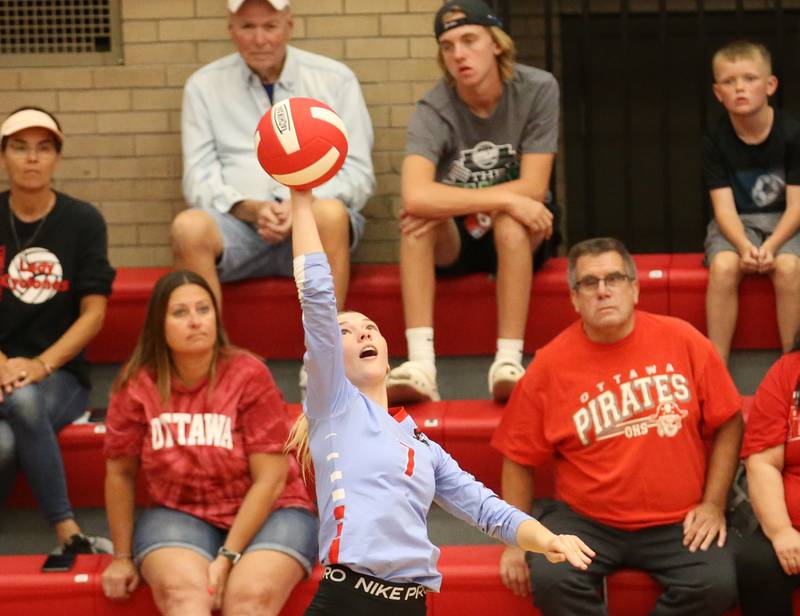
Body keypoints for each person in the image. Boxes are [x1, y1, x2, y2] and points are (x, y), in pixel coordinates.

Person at [286, 187, 593, 616]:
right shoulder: (332, 407)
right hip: (349, 602)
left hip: (413, 605)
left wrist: (547, 539)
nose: (363, 333)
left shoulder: (421, 445)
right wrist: (302, 201)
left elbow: (485, 508)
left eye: (370, 327)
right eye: (346, 331)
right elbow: (317, 297)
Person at [492, 237, 743, 615]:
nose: (603, 291)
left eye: (614, 278)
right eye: (589, 283)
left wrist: (713, 504)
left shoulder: (684, 340)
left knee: (716, 584)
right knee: (553, 578)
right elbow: (517, 456)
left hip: (678, 520)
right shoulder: (549, 365)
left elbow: (730, 421)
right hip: (587, 521)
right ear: (575, 299)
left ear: (635, 288)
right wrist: (516, 539)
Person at [101, 270, 317, 615]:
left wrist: (228, 556)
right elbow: (120, 473)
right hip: (179, 511)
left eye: (203, 309)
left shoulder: (248, 375)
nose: (195, 321)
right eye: (180, 313)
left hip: (272, 512)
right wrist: (122, 557)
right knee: (184, 595)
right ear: (159, 324)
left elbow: (271, 479)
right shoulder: (138, 385)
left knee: (249, 598)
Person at [386, 0, 559, 404]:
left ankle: (509, 361)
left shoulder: (537, 89)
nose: (459, 55)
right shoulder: (435, 106)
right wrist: (503, 197)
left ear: (496, 44)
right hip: (459, 237)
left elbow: (534, 186)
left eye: (469, 40)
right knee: (418, 222)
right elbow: (415, 194)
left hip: (520, 233)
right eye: (447, 47)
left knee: (511, 221)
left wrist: (500, 203)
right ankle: (422, 365)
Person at [172, 0, 375, 312]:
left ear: (289, 26)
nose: (259, 39)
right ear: (231, 29)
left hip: (317, 224)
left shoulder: (335, 79)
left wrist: (302, 205)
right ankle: (212, 358)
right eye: (247, 27)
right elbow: (198, 178)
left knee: (331, 214)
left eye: (269, 26)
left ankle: (324, 355)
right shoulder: (203, 86)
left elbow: (359, 175)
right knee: (188, 227)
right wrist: (248, 208)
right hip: (240, 229)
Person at [0, 106, 115, 554]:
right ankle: (68, 536)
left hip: (60, 378)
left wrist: (42, 365)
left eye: (43, 148)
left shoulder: (83, 221)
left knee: (25, 401)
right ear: (5, 156)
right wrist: (4, 363)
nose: (32, 158)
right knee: (4, 446)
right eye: (20, 147)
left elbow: (94, 314)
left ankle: (66, 532)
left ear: (57, 158)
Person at [703, 40, 800, 364]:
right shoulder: (714, 139)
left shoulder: (792, 133)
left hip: (785, 221)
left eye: (749, 79)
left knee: (788, 267)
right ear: (718, 93)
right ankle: (716, 366)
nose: (739, 88)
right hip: (737, 224)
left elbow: (797, 205)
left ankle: (792, 367)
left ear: (770, 85)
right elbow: (724, 209)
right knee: (724, 266)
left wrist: (772, 245)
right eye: (729, 82)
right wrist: (744, 246)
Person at [736, 335, 800, 615]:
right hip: (792, 527)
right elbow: (763, 462)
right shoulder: (788, 371)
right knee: (755, 563)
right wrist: (780, 531)